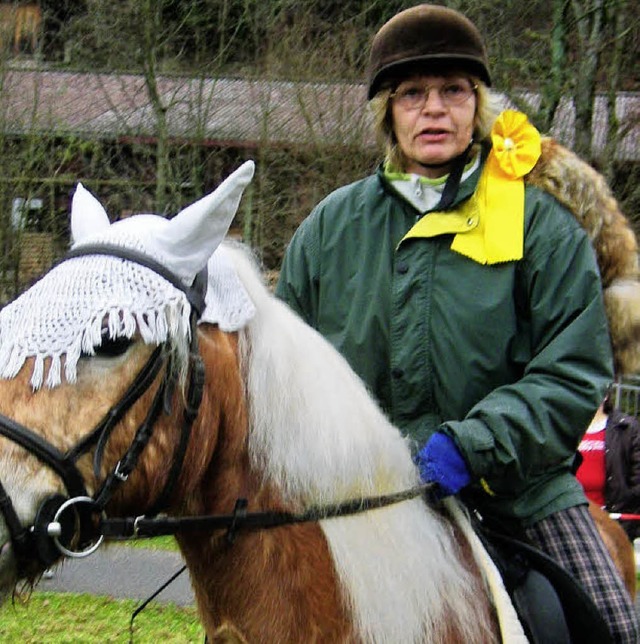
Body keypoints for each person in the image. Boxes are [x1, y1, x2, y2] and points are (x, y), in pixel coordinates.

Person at [275, 4, 638, 642]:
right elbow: (282, 372)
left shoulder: (541, 225)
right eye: (412, 93)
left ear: (479, 106)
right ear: (386, 111)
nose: (434, 109)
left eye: (453, 91)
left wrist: (472, 446)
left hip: (520, 495)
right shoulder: (327, 231)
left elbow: (573, 368)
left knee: (613, 625)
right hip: (357, 500)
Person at [577, 389, 640, 542]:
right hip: (573, 518)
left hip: (612, 523)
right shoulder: (564, 426)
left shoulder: (627, 429)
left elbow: (637, 480)